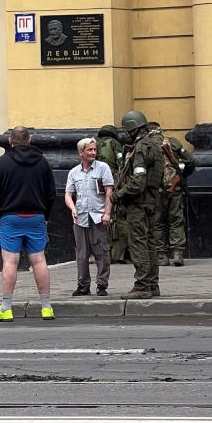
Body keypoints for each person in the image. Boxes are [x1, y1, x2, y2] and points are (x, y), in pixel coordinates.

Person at [0, 126, 58, 322]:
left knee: (10, 262)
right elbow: (51, 194)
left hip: (9, 218)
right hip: (36, 217)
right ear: (29, 141)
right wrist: (45, 216)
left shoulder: (0, 164)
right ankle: (46, 307)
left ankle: (6, 308)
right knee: (39, 261)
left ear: (10, 141)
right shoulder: (42, 163)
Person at [112, 110, 164, 299]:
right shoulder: (155, 145)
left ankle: (142, 286)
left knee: (138, 243)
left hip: (139, 204)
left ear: (132, 128)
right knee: (150, 242)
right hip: (152, 202)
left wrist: (118, 194)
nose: (125, 133)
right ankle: (152, 285)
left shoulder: (142, 148)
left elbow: (138, 181)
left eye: (126, 130)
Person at [64, 138, 114, 296]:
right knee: (82, 254)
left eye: (94, 150)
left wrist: (107, 213)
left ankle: (102, 285)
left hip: (98, 216)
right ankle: (83, 285)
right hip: (80, 217)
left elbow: (109, 192)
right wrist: (72, 208)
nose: (93, 152)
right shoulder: (74, 172)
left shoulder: (103, 168)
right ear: (81, 153)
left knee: (102, 252)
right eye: (89, 150)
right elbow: (68, 194)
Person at [148, 122, 196, 267]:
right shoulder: (173, 142)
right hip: (175, 188)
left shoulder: (145, 145)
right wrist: (181, 177)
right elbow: (190, 161)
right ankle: (177, 254)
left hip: (155, 190)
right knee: (176, 219)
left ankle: (161, 256)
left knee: (157, 222)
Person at [96, 124, 128, 263]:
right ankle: (117, 253)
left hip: (96, 182)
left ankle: (102, 253)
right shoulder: (114, 143)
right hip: (112, 180)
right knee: (115, 214)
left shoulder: (93, 143)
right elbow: (122, 163)